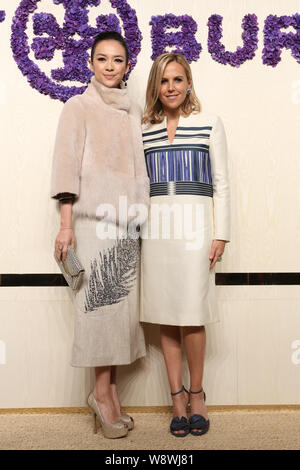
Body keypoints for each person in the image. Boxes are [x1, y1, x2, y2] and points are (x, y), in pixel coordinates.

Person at [50, 31, 149, 439]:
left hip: (126, 226)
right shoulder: (78, 106)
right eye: (102, 59)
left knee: (119, 316)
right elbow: (65, 166)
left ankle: (107, 392)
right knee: (98, 311)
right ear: (90, 64)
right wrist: (66, 224)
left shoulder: (133, 111)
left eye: (118, 60)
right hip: (92, 225)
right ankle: (100, 395)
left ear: (128, 67)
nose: (110, 66)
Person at [141, 52, 230, 437]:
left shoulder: (209, 123)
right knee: (166, 314)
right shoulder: (143, 128)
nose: (171, 88)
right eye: (163, 81)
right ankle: (175, 398)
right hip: (157, 232)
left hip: (196, 233)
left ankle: (197, 395)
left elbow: (222, 182)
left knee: (192, 315)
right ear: (155, 87)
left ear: (188, 83)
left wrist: (221, 233)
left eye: (177, 80)